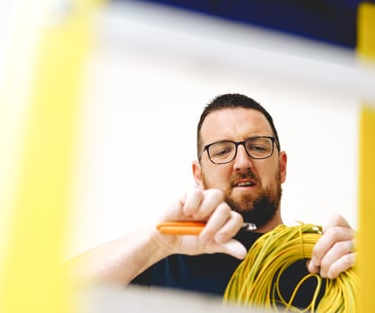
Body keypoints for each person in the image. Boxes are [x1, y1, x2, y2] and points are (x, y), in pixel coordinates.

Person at [69, 93, 356, 306]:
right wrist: (155, 242)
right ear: (198, 174)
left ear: (282, 166)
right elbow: (43, 297)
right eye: (221, 151)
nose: (242, 162)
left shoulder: (326, 260)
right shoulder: (165, 259)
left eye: (257, 147)